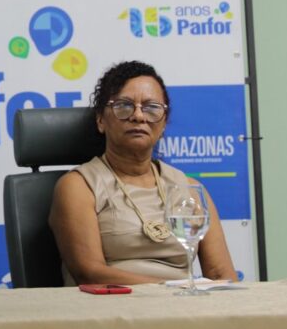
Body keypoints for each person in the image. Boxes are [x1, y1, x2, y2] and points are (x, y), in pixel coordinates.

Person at [49, 60, 237, 285]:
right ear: (101, 120)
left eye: (151, 108)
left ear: (164, 122)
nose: (139, 116)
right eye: (124, 106)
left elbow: (222, 276)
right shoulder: (79, 186)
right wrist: (168, 291)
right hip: (114, 308)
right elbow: (89, 273)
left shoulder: (190, 189)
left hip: (184, 309)